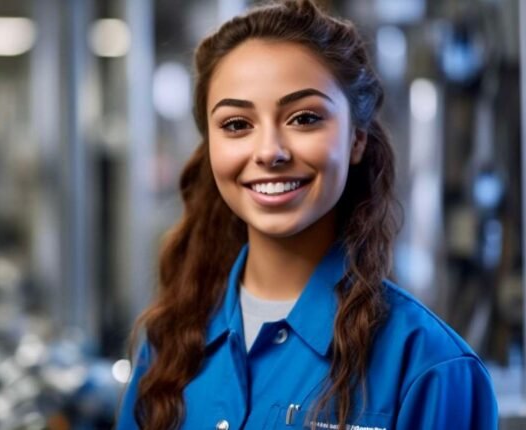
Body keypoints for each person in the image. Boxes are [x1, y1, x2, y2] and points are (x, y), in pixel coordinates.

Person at [116, 0, 499, 429]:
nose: (269, 152)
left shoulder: (430, 368)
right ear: (210, 148)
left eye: (304, 118)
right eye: (237, 124)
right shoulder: (169, 344)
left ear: (356, 138)